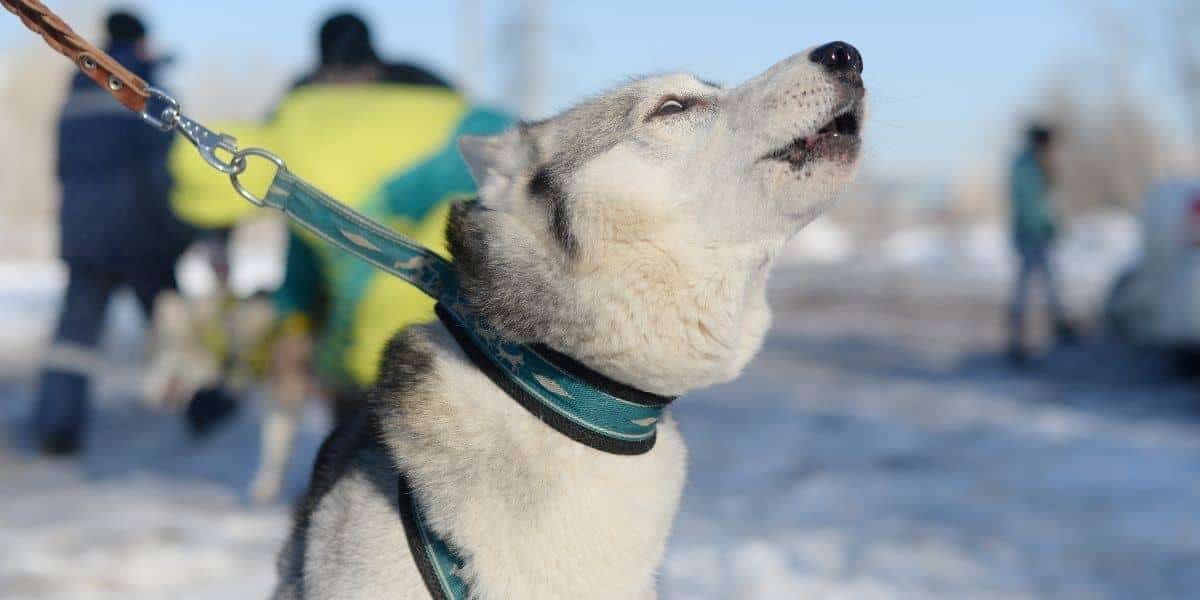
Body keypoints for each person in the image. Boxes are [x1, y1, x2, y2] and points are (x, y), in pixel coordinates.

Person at [168, 12, 512, 434]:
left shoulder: (310, 108)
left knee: (370, 420)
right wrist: (294, 314)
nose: (344, 88)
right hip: (449, 317)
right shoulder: (433, 94)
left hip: (396, 310)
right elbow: (300, 223)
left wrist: (397, 196)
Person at [33, 11, 194, 455]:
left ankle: (56, 425)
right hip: (141, 236)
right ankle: (204, 406)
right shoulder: (147, 93)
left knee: (74, 338)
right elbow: (166, 175)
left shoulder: (76, 92)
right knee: (174, 328)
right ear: (141, 44)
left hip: (84, 235)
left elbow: (64, 170)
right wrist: (180, 234)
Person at [1007, 123, 1076, 365]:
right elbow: (1031, 205)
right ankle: (1018, 341)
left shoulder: (1037, 164)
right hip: (1030, 235)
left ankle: (1058, 328)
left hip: (1039, 234)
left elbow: (1048, 201)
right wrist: (1044, 228)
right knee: (1026, 290)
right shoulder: (1027, 166)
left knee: (1047, 284)